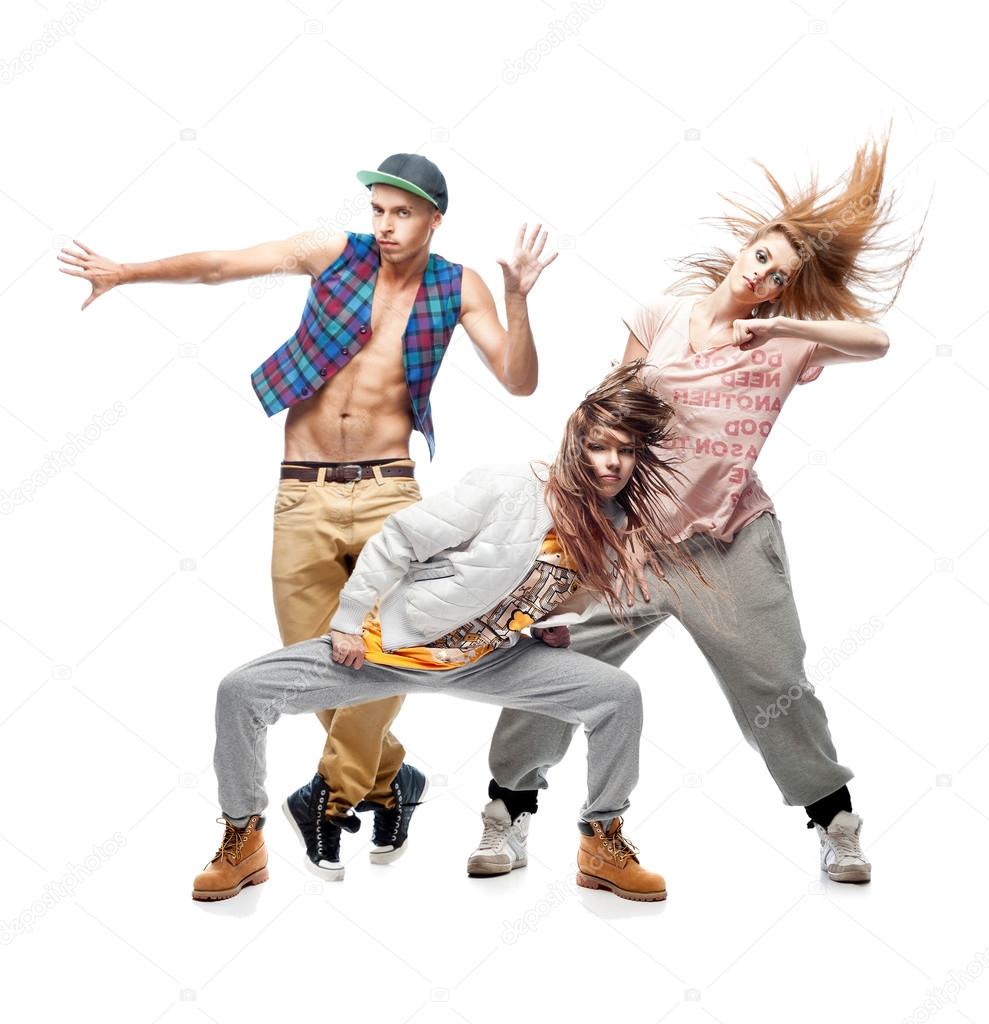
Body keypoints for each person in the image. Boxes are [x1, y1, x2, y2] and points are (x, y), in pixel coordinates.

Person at [58, 153, 557, 868]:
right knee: (318, 660)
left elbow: (519, 380)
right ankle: (391, 776)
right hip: (302, 488)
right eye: (378, 209)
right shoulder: (332, 255)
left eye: (402, 212)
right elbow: (224, 265)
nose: (385, 225)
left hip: (390, 488)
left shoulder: (458, 285)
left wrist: (519, 299)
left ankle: (329, 789)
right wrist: (126, 272)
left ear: (434, 219)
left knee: (393, 651)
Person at [471, 127, 924, 885]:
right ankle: (506, 814)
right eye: (761, 258)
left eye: (779, 277)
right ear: (744, 247)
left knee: (775, 688)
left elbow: (876, 341)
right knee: (554, 664)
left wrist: (783, 324)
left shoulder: (784, 342)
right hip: (636, 544)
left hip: (732, 544)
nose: (763, 278)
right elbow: (608, 417)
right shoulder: (658, 317)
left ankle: (835, 823)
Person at [191, 362, 707, 903]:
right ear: (575, 445)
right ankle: (242, 838)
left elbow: (566, 592)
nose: (613, 462)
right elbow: (400, 538)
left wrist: (554, 625)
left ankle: (602, 840)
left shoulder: (612, 525)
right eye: (601, 447)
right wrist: (346, 621)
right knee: (242, 691)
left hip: (492, 660)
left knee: (617, 696)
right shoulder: (509, 486)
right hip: (386, 651)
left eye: (625, 452)